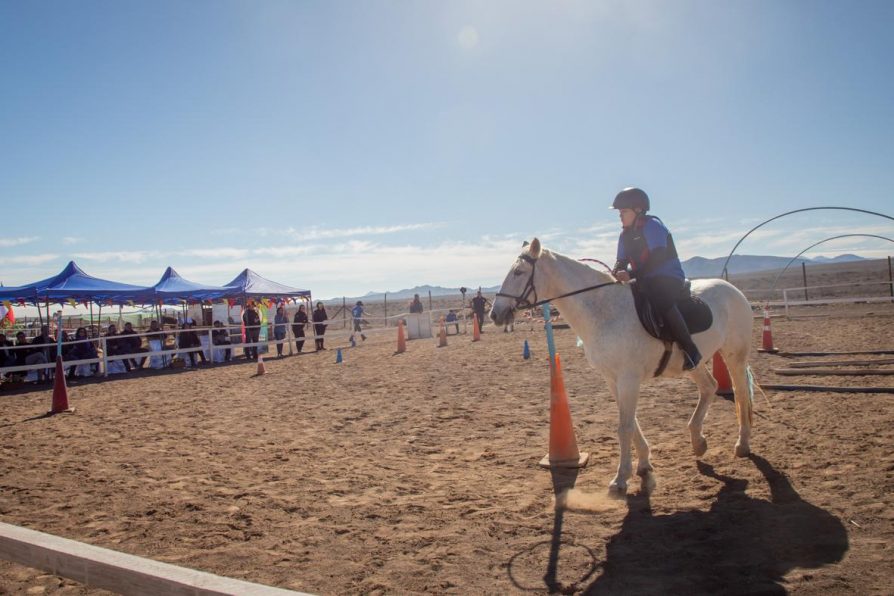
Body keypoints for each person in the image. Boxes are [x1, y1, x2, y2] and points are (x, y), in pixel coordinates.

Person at [610, 187, 701, 370]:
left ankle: (690, 350)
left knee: (660, 297)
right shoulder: (624, 235)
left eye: (624, 211)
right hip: (644, 279)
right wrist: (617, 270)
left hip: (668, 277)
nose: (620, 216)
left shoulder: (653, 226)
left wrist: (632, 274)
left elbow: (658, 257)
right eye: (619, 212)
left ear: (638, 210)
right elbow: (621, 259)